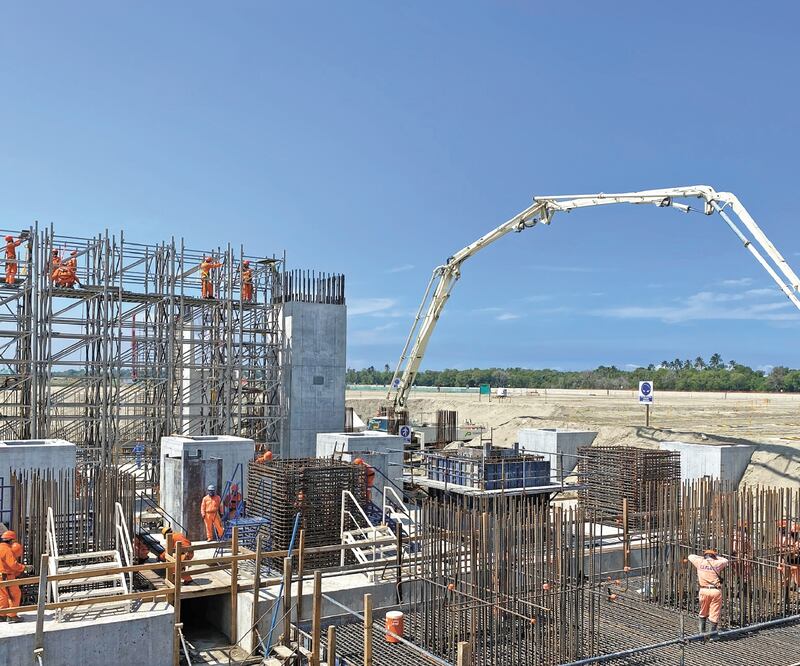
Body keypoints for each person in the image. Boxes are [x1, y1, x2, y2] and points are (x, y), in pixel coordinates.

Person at [688, 548, 728, 634]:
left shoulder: (699, 562)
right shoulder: (717, 563)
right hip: (715, 591)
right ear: (714, 557)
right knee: (714, 612)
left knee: (703, 611)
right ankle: (712, 635)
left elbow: (690, 556)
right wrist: (717, 557)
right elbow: (725, 560)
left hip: (704, 590)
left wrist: (703, 558)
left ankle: (702, 633)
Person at [0, 530, 26, 622]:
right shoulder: (7, 550)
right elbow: (13, 564)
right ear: (11, 540)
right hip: (6, 576)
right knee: (14, 595)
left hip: (1, 576)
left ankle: (2, 614)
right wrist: (24, 568)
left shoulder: (0, 547)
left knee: (3, 595)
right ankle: (12, 615)